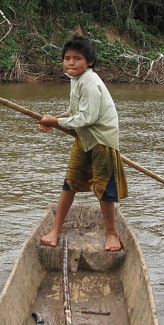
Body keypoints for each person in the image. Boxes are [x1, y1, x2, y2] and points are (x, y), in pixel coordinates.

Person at [37, 35, 128, 251]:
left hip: (102, 141)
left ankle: (112, 233)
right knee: (70, 183)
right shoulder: (76, 80)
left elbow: (87, 118)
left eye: (77, 58)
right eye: (67, 58)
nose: (71, 63)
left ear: (89, 62)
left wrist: (55, 122)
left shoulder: (89, 82)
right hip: (84, 138)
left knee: (104, 188)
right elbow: (75, 112)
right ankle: (56, 229)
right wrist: (55, 120)